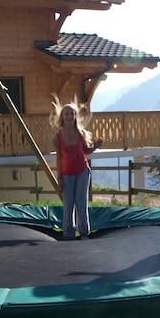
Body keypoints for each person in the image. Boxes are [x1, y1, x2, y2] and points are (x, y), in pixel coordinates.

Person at [50, 95, 104, 240]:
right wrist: (59, 177)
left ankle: (84, 232)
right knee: (68, 204)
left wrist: (95, 147)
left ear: (75, 116)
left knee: (81, 202)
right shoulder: (58, 137)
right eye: (66, 114)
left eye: (72, 113)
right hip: (67, 174)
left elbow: (85, 151)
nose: (69, 116)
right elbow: (59, 158)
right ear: (62, 117)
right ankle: (68, 234)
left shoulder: (81, 133)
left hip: (82, 171)